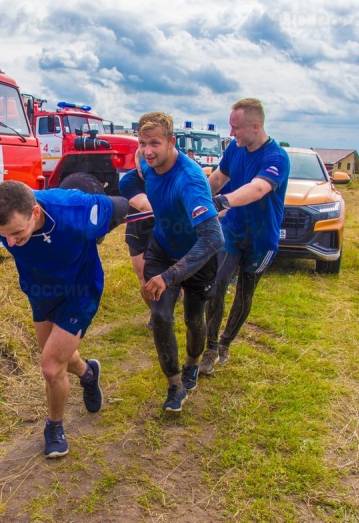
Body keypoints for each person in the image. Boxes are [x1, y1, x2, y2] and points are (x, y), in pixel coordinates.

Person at [0, 180, 129, 458]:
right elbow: (8, 231)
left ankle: (54, 427)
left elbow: (122, 205)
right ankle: (88, 373)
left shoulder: (73, 210)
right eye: (4, 236)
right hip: (40, 291)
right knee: (59, 358)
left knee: (50, 367)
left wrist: (151, 204)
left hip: (79, 290)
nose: (11, 243)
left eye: (16, 233)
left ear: (35, 213)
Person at [119, 112, 224, 413]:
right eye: (142, 143)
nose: (147, 150)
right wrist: (143, 202)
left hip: (198, 256)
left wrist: (171, 276)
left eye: (154, 143)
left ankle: (193, 361)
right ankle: (174, 384)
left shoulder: (190, 180)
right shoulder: (145, 163)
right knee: (162, 316)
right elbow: (127, 183)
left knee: (193, 319)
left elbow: (212, 238)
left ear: (171, 142)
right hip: (162, 249)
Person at [200, 98, 290, 375]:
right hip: (233, 232)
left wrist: (222, 202)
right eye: (230, 126)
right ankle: (211, 348)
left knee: (245, 293)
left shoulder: (276, 157)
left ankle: (226, 342)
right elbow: (216, 180)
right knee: (215, 285)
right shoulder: (234, 150)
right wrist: (196, 198)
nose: (231, 133)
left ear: (255, 126)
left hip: (262, 240)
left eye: (235, 127)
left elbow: (257, 189)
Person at [124, 149, 155, 329]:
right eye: (142, 163)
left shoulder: (170, 176)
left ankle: (167, 304)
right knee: (144, 278)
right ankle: (156, 313)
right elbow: (144, 205)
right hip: (138, 232)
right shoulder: (129, 180)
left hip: (166, 230)